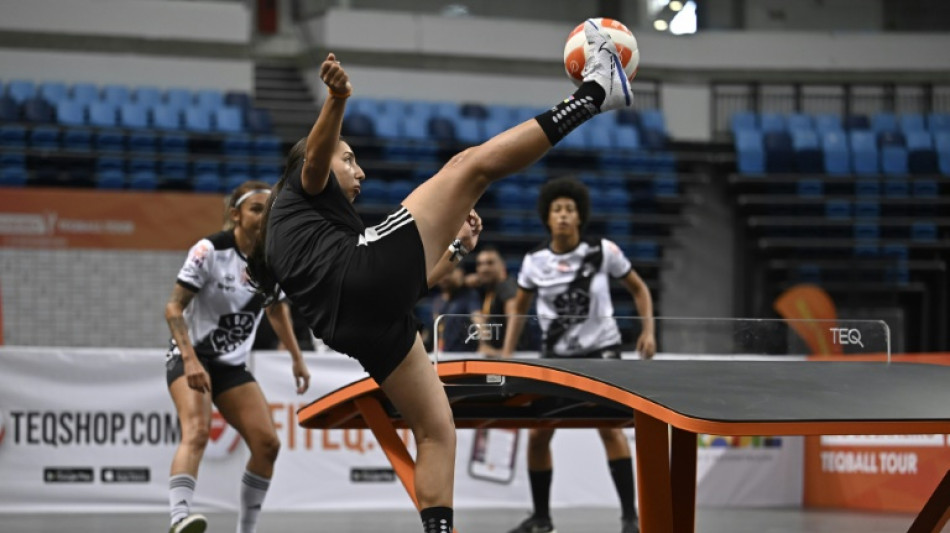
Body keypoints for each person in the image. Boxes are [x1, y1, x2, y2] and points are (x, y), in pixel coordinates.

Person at [246, 20, 634, 533]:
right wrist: (337, 99)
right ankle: (592, 95)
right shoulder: (299, 188)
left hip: (356, 327)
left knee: (436, 430)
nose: (359, 171)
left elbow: (407, 286)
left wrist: (455, 248)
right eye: (352, 159)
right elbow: (317, 155)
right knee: (468, 168)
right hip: (357, 276)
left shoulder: (301, 235)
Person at [501, 176, 656, 533]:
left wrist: (648, 331)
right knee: (538, 435)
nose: (564, 215)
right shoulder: (534, 261)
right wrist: (506, 356)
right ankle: (541, 518)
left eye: (570, 209)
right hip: (555, 358)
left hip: (603, 352)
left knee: (610, 430)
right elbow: (518, 310)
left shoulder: (603, 251)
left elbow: (639, 289)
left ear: (580, 216)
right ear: (547, 217)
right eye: (557, 209)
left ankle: (631, 519)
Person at [163, 180, 311, 533]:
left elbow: (276, 310)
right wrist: (190, 359)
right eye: (256, 209)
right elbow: (173, 308)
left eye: (269, 210)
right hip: (191, 358)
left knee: (267, 444)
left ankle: (246, 530)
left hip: (230, 366)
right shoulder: (209, 250)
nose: (264, 216)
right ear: (236, 215)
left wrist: (296, 357)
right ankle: (179, 518)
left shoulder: (271, 261)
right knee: (197, 431)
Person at [428, 264, 480, 353]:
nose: (444, 277)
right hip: (442, 354)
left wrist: (483, 345)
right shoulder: (438, 300)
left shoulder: (469, 295)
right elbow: (437, 331)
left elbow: (478, 320)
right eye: (441, 274)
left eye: (449, 272)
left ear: (460, 273)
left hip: (462, 354)